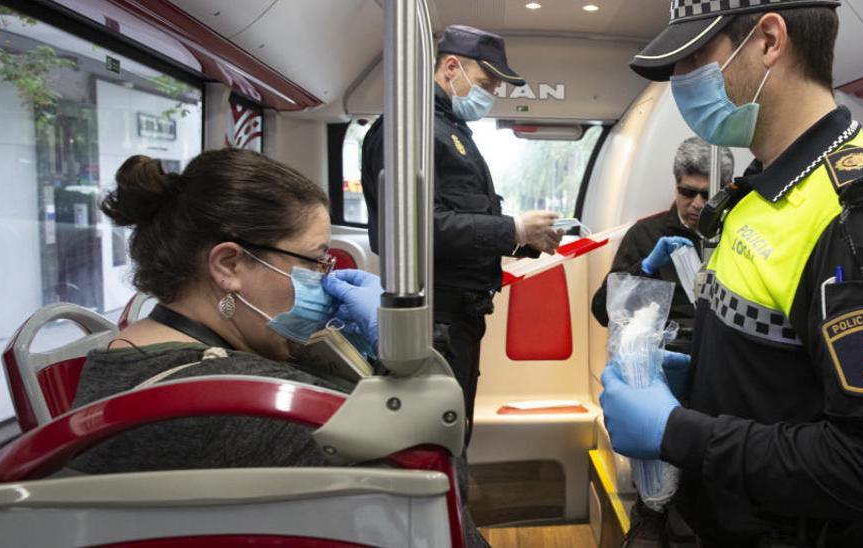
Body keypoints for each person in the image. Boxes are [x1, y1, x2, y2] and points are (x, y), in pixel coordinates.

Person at [599, 2, 863, 547]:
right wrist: (696, 379)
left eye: (695, 57)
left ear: (768, 40)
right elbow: (784, 376)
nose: (680, 79)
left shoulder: (858, 222)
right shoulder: (759, 192)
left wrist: (677, 432)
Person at [73, 149, 381, 473]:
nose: (324, 278)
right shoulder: (249, 399)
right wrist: (395, 348)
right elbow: (424, 458)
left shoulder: (121, 356)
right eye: (313, 261)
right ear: (229, 265)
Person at [361, 25, 562, 444]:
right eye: (487, 82)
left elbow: (461, 219)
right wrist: (513, 228)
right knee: (435, 441)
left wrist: (524, 240)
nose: (491, 94)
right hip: (435, 318)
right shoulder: (409, 131)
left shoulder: (447, 130)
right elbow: (416, 229)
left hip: (460, 320)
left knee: (454, 433)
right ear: (451, 67)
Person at [590, 137, 734, 355]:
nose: (696, 204)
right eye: (687, 192)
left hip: (722, 350)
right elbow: (603, 311)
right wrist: (645, 269)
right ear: (676, 186)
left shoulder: (737, 235)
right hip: (666, 352)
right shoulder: (645, 235)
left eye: (707, 195)